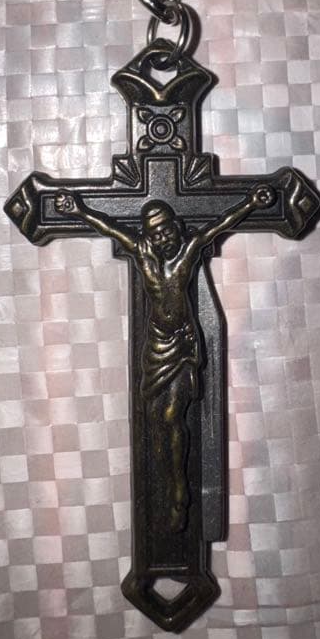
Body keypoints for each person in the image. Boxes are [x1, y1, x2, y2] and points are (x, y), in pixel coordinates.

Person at [54, 184, 276, 531]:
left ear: (176, 227)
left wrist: (251, 202)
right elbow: (109, 227)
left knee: (173, 415)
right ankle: (168, 481)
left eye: (167, 230)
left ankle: (179, 493)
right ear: (149, 237)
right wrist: (77, 211)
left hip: (183, 345)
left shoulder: (188, 252)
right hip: (157, 346)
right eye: (156, 234)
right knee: (156, 419)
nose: (163, 238)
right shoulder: (142, 256)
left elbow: (218, 225)